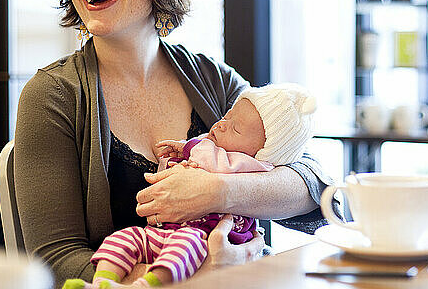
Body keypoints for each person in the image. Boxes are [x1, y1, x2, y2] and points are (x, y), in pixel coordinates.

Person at [13, 0, 340, 288]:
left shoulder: (212, 81)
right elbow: (55, 260)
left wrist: (216, 191)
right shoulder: (52, 97)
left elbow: (314, 189)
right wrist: (197, 275)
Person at [63, 84, 316, 288]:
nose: (219, 125)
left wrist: (216, 191)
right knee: (125, 238)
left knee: (185, 243)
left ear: (263, 153)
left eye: (235, 128)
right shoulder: (60, 92)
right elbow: (55, 255)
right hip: (162, 235)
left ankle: (148, 283)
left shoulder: (247, 163)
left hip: (198, 238)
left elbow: (314, 180)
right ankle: (103, 282)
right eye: (226, 117)